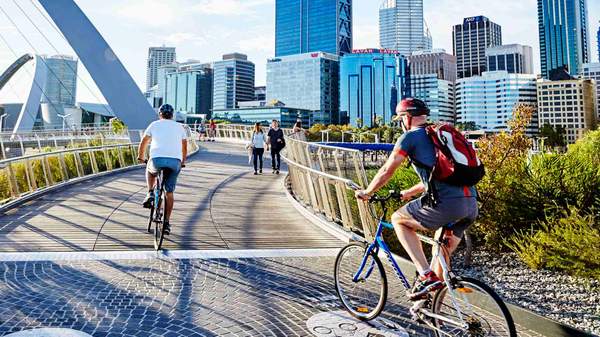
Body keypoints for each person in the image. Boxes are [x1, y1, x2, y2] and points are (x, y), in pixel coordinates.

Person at [355, 98, 478, 301]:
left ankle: (424, 274)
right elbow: (439, 175)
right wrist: (409, 193)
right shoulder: (438, 136)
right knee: (440, 250)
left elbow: (387, 169)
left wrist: (367, 192)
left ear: (406, 118)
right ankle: (433, 308)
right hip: (470, 204)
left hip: (446, 204)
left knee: (398, 219)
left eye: (400, 119)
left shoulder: (410, 137)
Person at [138, 104, 188, 235]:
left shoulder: (154, 125)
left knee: (150, 169)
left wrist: (140, 156)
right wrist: (182, 161)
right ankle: (166, 223)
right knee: (169, 192)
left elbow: (144, 141)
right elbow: (184, 146)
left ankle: (150, 192)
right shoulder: (180, 127)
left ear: (160, 114)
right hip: (175, 162)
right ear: (172, 115)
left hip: (157, 159)